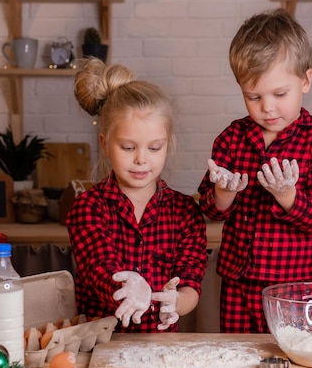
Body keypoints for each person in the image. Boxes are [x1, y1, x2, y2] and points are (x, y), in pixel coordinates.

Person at [198, 8, 312, 333]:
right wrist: (223, 193)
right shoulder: (231, 139)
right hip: (239, 281)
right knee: (239, 362)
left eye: (279, 94)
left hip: (297, 285)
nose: (267, 107)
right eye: (253, 96)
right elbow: (209, 209)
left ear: (305, 80)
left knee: (295, 362)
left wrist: (287, 196)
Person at [67, 58, 208, 333]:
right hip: (100, 347)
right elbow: (99, 267)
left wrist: (175, 303)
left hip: (159, 350)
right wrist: (129, 285)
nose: (142, 159)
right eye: (128, 147)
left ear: (168, 145)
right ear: (105, 144)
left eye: (154, 148)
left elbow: (191, 283)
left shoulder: (186, 213)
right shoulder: (88, 207)